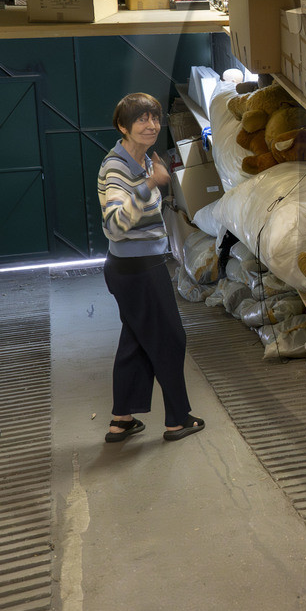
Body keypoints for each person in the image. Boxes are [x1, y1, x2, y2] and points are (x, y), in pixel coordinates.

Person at [99, 92, 204, 443]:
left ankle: (121, 420)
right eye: (141, 119)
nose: (151, 125)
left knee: (136, 341)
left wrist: (151, 178)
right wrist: (149, 185)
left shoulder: (143, 160)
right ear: (122, 126)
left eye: (154, 118)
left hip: (139, 266)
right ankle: (177, 420)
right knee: (170, 339)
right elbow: (114, 224)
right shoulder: (117, 167)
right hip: (137, 270)